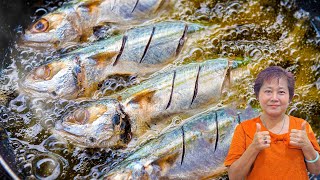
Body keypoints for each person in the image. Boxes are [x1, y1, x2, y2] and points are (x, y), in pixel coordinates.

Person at [224, 66, 320, 179]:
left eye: (281, 92)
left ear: (290, 98)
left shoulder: (302, 126)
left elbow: (316, 170)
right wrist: (253, 148)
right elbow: (234, 176)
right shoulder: (244, 129)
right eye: (268, 91)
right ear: (257, 96)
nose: (274, 98)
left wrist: (307, 146)